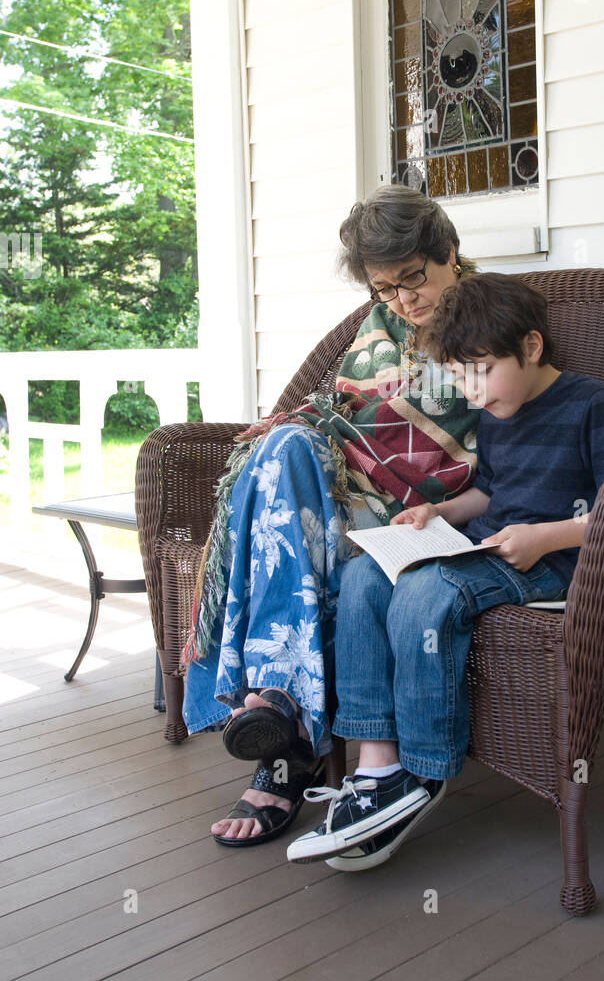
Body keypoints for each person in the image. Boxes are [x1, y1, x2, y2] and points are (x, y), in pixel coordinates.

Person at [285, 271, 604, 869]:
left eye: (481, 371)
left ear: (531, 347)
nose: (471, 393)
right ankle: (378, 766)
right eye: (460, 376)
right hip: (489, 547)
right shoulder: (498, 412)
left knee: (426, 590)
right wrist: (436, 511)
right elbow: (492, 495)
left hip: (552, 563)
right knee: (367, 574)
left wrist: (547, 535)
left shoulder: (589, 404)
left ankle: (423, 771)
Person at [180, 185, 482, 846]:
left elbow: (509, 424)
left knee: (286, 534)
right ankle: (285, 712)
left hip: (422, 504)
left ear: (450, 254)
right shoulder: (380, 326)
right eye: (384, 289)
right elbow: (341, 406)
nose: (404, 301)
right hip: (344, 490)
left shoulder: (492, 320)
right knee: (281, 450)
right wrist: (293, 426)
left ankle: (284, 742)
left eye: (415, 279)